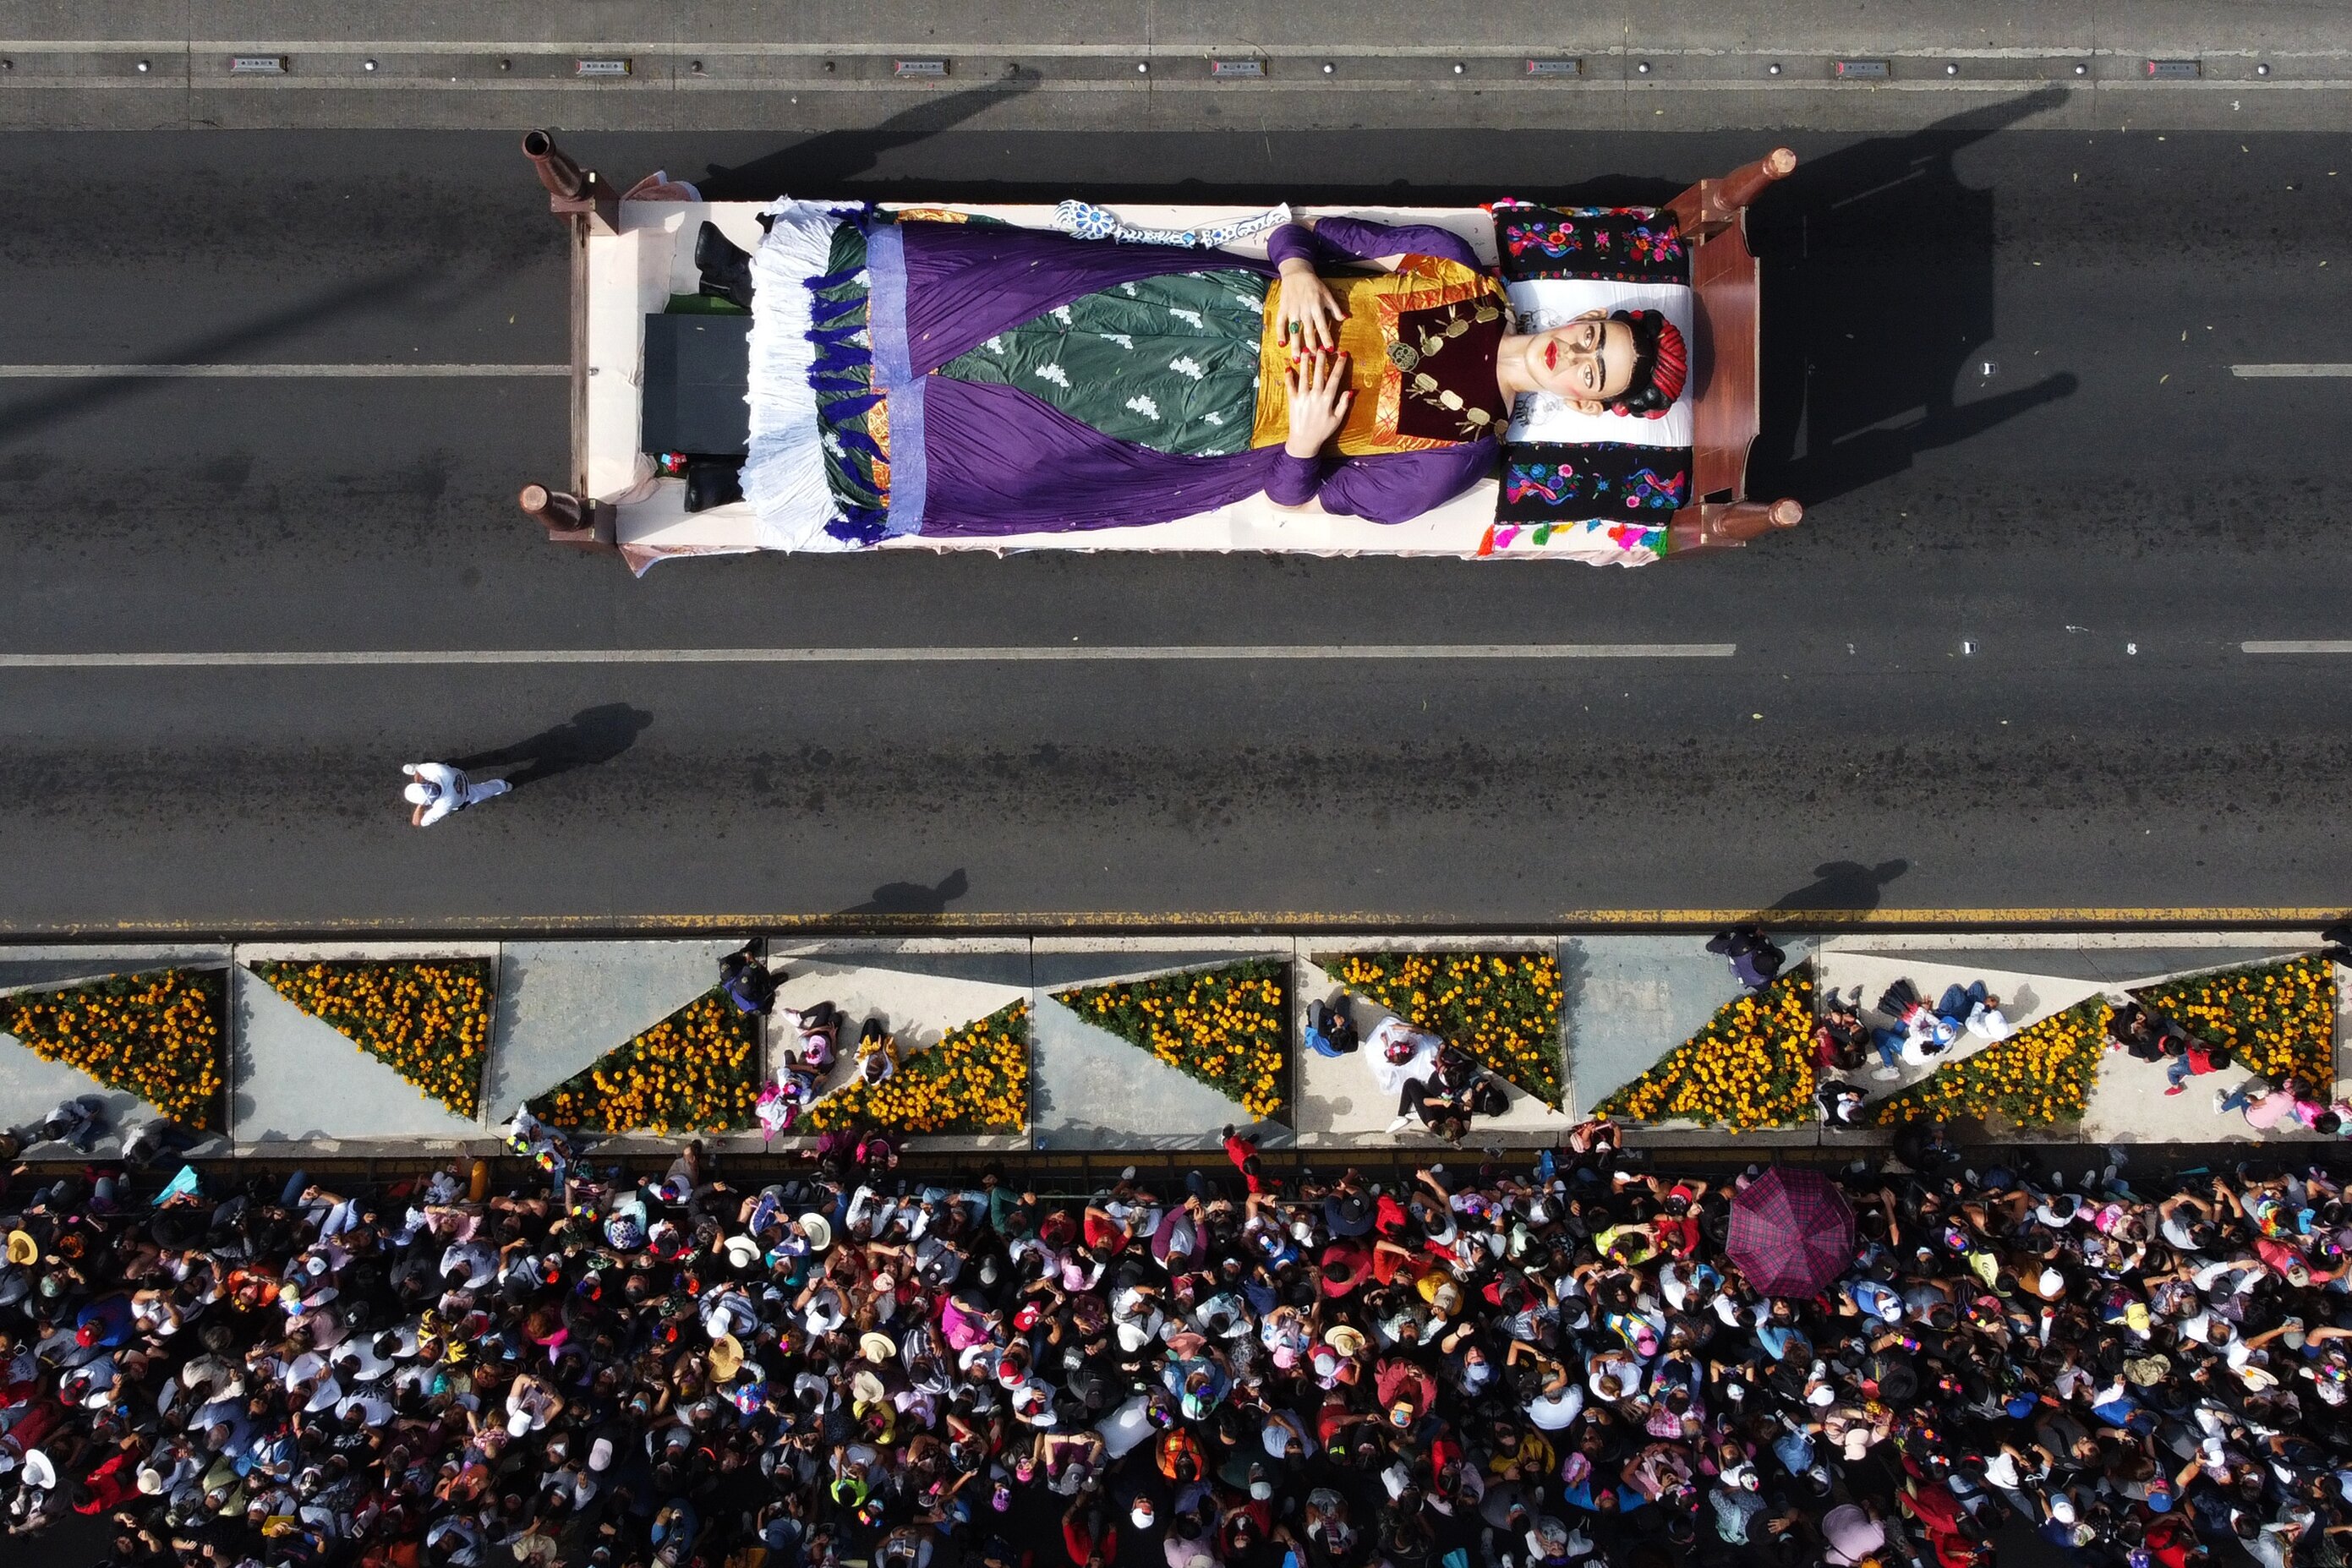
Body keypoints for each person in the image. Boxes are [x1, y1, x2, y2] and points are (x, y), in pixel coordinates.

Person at [720, 205, 1685, 546]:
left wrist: (1305, 439)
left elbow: (1299, 498)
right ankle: (762, 295)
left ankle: (760, 454)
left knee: (998, 450)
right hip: (1195, 304)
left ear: (1585, 402)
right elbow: (1302, 235)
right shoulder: (1449, 263)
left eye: (1598, 373)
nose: (1581, 354)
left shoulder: (1452, 459)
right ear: (1587, 316)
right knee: (983, 282)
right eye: (1598, 335)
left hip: (1200, 421)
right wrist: (1302, 272)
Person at [400, 759, 510, 827]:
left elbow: (418, 822)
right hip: (459, 775)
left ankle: (504, 786)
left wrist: (421, 805)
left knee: (486, 790)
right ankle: (502, 785)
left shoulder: (443, 807)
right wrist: (418, 772)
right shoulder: (442, 771)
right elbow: (420, 770)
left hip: (466, 796)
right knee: (423, 767)